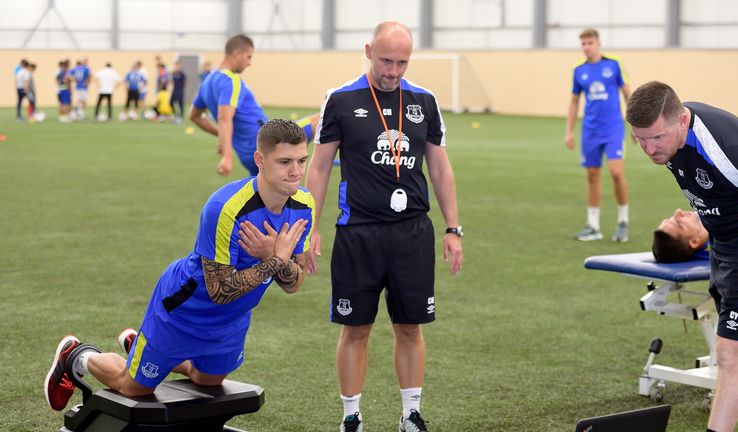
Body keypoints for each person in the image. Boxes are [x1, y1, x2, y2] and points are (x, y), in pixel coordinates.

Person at [44, 119, 314, 412]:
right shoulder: (225, 208)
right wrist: (275, 259)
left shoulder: (304, 206)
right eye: (285, 162)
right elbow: (219, 291)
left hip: (232, 319)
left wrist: (276, 259)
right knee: (134, 387)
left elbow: (294, 284)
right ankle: (76, 356)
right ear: (260, 160)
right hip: (185, 309)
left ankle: (143, 349)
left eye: (301, 160)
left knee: (207, 380)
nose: (296, 171)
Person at [305, 21, 462, 432]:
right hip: (357, 232)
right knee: (355, 328)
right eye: (386, 61)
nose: (393, 71)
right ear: (368, 51)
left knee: (410, 327)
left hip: (412, 233)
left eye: (402, 63)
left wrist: (453, 228)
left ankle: (410, 414)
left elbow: (440, 167)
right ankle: (351, 417)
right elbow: (319, 168)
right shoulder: (340, 99)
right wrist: (309, 226)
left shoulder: (424, 101)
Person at [626, 80, 738, 432]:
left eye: (656, 138)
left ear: (682, 121)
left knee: (731, 354)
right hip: (724, 245)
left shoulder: (726, 150)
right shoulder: (669, 133)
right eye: (640, 139)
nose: (648, 149)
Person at [191, 35, 318, 177]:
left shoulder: (206, 83)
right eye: (248, 57)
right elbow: (224, 118)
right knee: (321, 118)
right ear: (237, 53)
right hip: (269, 143)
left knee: (266, 190)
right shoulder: (231, 80)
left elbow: (194, 116)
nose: (249, 63)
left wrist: (222, 136)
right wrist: (227, 157)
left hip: (248, 155)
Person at [565, 28, 632, 242]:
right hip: (590, 131)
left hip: (613, 129)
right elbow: (574, 102)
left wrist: (635, 125)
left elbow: (628, 94)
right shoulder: (579, 71)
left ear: (598, 43)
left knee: (616, 172)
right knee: (592, 175)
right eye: (583, 44)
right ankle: (593, 226)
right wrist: (569, 131)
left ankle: (623, 221)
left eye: (590, 43)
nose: (586, 47)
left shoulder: (614, 64)